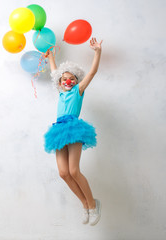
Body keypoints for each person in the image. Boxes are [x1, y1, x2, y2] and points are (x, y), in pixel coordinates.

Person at [44, 37, 103, 226]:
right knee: (63, 173)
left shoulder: (78, 90)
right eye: (64, 79)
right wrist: (51, 57)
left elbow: (92, 72)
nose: (67, 81)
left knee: (74, 170)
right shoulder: (61, 92)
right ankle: (85, 204)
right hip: (59, 130)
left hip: (74, 128)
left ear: (76, 80)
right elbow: (54, 73)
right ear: (60, 82)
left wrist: (97, 52)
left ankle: (93, 205)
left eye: (71, 78)